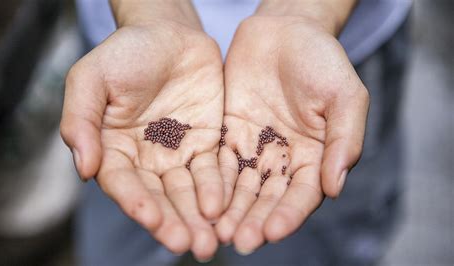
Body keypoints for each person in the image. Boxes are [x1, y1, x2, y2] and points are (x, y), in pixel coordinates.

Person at [60, 0, 411, 265]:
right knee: (131, 216)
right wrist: (149, 10)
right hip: (139, 71)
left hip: (325, 61)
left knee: (313, 245)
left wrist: (305, 11)